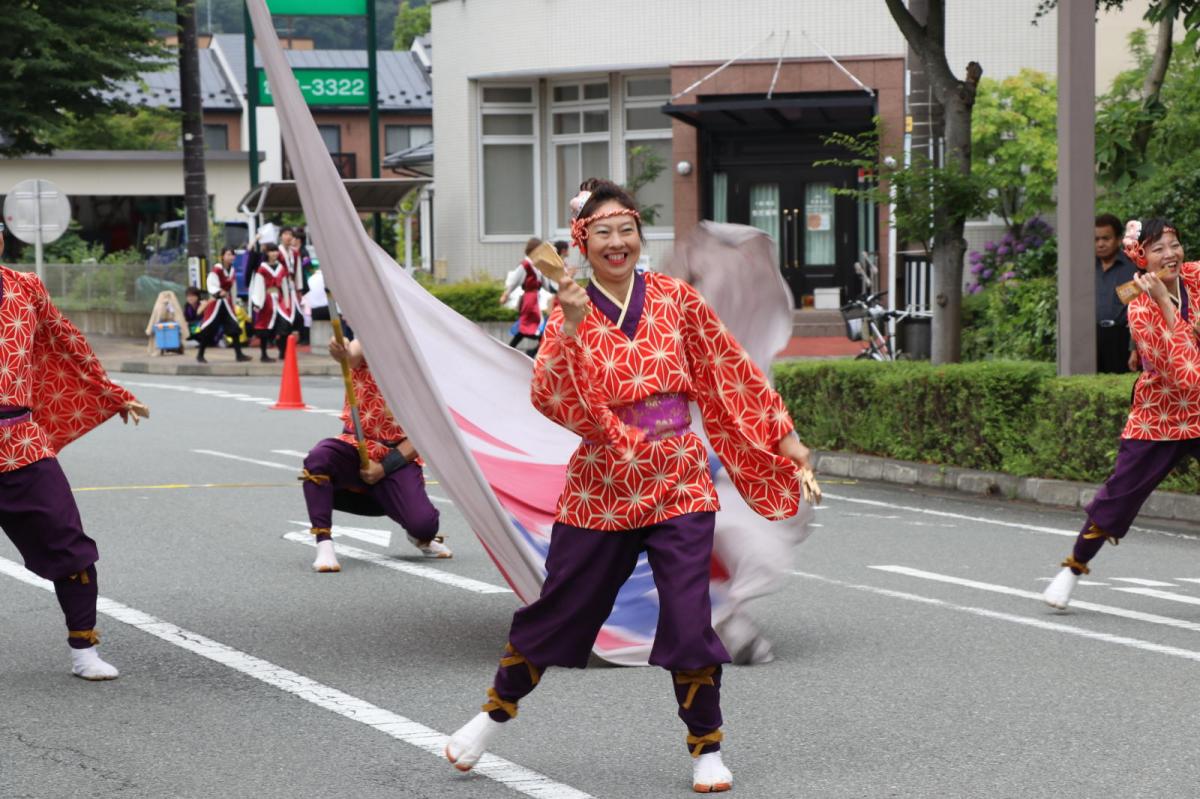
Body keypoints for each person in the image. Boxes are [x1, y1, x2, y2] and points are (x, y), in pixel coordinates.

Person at [445, 179, 811, 793]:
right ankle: (493, 715)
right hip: (605, 482)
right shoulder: (571, 310)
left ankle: (707, 748)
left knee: (690, 614)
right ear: (582, 244)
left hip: (678, 477)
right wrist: (570, 325)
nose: (617, 243)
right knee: (562, 606)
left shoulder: (676, 300)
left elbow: (729, 370)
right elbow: (552, 397)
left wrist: (784, 436)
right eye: (603, 233)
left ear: (640, 236)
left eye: (626, 230)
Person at [0, 230, 150, 680]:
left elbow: (66, 342)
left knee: (69, 544)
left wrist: (111, 392)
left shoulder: (25, 287)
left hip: (20, 442)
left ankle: (84, 649)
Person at [1044, 219, 1200, 609]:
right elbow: (1187, 375)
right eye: (1158, 249)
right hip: (1160, 417)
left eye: (1174, 245)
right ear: (1142, 259)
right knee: (1119, 497)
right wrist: (1164, 303)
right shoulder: (1140, 309)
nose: (1170, 255)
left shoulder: (1195, 278)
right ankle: (1074, 567)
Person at [299, 337, 450, 572]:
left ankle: (417, 532)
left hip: (398, 454)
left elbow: (425, 433)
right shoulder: (370, 339)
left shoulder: (428, 363)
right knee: (319, 459)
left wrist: (383, 468)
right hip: (356, 444)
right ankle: (324, 544)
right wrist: (341, 350)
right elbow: (350, 355)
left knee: (424, 525)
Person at [1095, 213, 1138, 374]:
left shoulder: (1132, 267)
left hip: (1122, 338)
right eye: (1096, 239)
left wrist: (1135, 348)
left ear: (1119, 239)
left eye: (1106, 238)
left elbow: (1140, 307)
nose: (1100, 244)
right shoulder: (1086, 267)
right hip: (1092, 337)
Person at [196, 247, 251, 364]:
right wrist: (218, 292)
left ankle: (239, 354)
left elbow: (233, 288)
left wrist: (234, 302)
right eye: (228, 254)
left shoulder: (232, 270)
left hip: (226, 304)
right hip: (216, 303)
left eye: (232, 255)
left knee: (234, 328)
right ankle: (200, 354)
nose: (231, 257)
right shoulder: (217, 269)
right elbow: (211, 283)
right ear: (222, 256)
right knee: (209, 329)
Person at [249, 242, 299, 362]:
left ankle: (282, 352)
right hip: (267, 299)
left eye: (276, 251)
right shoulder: (262, 268)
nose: (274, 253)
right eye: (271, 251)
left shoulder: (281, 267)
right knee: (265, 328)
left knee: (285, 325)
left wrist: (287, 303)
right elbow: (259, 286)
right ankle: (264, 354)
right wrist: (258, 302)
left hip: (279, 299)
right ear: (267, 253)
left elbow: (284, 286)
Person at [500, 238, 547, 355]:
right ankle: (533, 351)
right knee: (533, 326)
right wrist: (506, 294)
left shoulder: (537, 265)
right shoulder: (526, 264)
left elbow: (546, 284)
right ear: (534, 250)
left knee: (528, 326)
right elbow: (515, 280)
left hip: (534, 299)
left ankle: (513, 350)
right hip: (529, 301)